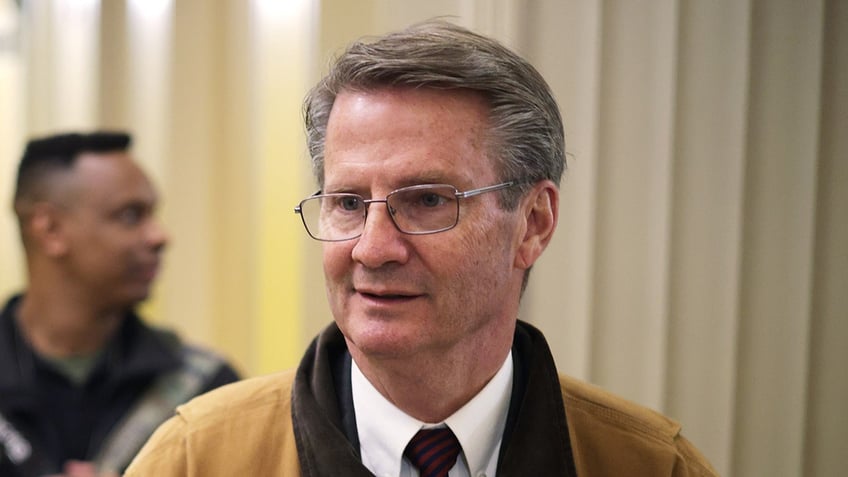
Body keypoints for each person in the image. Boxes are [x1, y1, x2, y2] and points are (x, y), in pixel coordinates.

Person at [126, 20, 717, 476]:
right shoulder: (196, 458)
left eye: (428, 201)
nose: (373, 249)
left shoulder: (649, 464)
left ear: (533, 223)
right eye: (350, 204)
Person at [0, 131, 241, 477]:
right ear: (50, 229)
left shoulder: (207, 392)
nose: (159, 236)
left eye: (152, 214)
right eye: (130, 215)